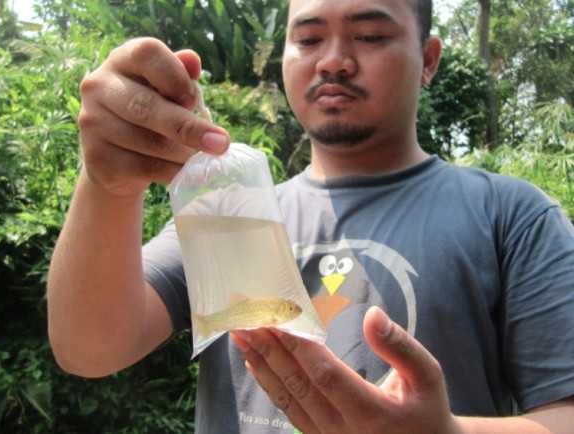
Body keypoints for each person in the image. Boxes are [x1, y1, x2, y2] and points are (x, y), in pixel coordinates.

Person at [47, 0, 574, 432]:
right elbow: (90, 348)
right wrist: (107, 186)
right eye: (308, 38)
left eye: (369, 36)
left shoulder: (512, 216)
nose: (334, 61)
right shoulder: (230, 215)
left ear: (429, 57)